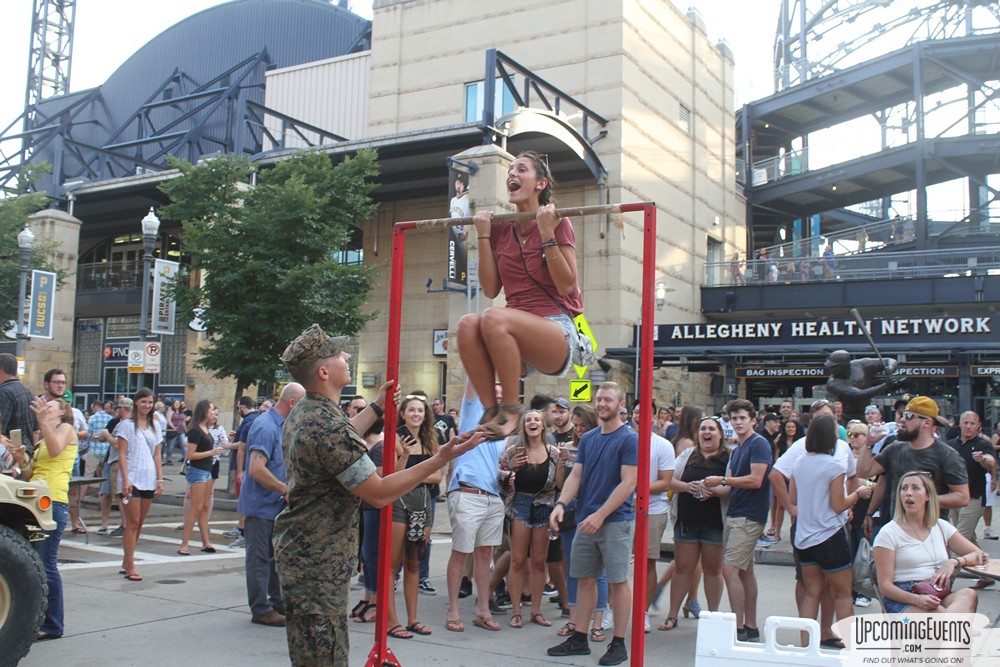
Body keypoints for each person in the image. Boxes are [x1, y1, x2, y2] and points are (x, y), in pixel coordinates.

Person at [272, 323, 482, 666]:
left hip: (306, 552)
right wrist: (440, 458)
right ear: (324, 371)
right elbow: (380, 494)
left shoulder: (308, 411)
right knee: (323, 652)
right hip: (318, 558)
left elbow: (341, 439)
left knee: (313, 646)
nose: (347, 356)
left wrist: (378, 408)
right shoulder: (326, 425)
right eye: (338, 354)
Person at [457, 151, 592, 440]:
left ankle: (511, 409)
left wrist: (547, 234)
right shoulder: (501, 228)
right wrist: (483, 236)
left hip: (556, 330)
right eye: (510, 170)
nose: (512, 175)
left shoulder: (556, 222)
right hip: (515, 334)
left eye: (521, 170)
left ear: (540, 183)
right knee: (468, 323)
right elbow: (491, 289)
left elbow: (567, 285)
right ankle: (492, 411)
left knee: (492, 316)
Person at [548, 382, 637, 666]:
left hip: (615, 521)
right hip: (586, 519)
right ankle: (579, 638)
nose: (602, 404)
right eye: (599, 399)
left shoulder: (629, 439)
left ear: (621, 404)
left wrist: (601, 515)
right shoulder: (589, 438)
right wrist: (561, 504)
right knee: (585, 579)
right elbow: (576, 476)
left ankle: (619, 643)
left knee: (618, 581)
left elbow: (629, 482)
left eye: (608, 400)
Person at [789, 415, 872, 648]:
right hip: (830, 535)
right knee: (843, 594)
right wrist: (858, 494)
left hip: (804, 537)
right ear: (830, 436)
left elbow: (793, 498)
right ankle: (850, 644)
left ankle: (806, 645)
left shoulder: (799, 463)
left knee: (811, 593)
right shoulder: (834, 465)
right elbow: (839, 504)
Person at [703, 399, 773, 643]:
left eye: (742, 417)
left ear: (753, 420)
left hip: (749, 515)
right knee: (744, 571)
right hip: (736, 512)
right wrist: (706, 488)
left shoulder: (758, 444)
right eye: (734, 418)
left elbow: (756, 480)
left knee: (729, 569)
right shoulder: (738, 449)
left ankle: (739, 626)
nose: (738, 422)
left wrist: (721, 481)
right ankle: (749, 625)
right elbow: (729, 488)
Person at [444, 381, 507, 633]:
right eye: (494, 390)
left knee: (485, 555)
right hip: (467, 491)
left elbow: (492, 464)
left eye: (503, 394)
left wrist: (503, 473)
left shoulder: (502, 429)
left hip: (493, 496)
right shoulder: (473, 411)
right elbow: (473, 376)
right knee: (461, 552)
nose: (498, 395)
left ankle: (483, 610)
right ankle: (452, 610)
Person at [240, 384, 305, 627]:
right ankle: (261, 609)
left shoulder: (282, 425)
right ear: (292, 403)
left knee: (276, 558)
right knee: (259, 560)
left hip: (275, 506)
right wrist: (284, 490)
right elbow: (256, 469)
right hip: (261, 506)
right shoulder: (266, 426)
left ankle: (277, 603)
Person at [873, 471, 982, 614]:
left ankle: (954, 631)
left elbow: (979, 555)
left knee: (969, 594)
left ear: (928, 496)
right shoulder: (888, 532)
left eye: (915, 488)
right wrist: (917, 600)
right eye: (904, 488)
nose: (908, 493)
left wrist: (954, 562)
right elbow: (885, 586)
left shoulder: (941, 526)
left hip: (936, 591)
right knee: (947, 622)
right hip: (903, 598)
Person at [662, 416, 729, 631]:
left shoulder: (729, 458)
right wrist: (687, 487)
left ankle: (713, 616)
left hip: (715, 522)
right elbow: (668, 480)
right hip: (687, 520)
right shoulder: (688, 455)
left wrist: (713, 491)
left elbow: (733, 486)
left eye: (711, 429)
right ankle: (672, 615)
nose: (706, 433)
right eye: (702, 429)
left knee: (713, 570)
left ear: (720, 434)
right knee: (683, 568)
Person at [19, 396, 77, 640]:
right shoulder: (44, 437)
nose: (45, 410)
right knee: (35, 562)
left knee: (46, 563)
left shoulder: (66, 429)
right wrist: (21, 456)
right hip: (37, 500)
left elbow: (55, 451)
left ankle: (53, 624)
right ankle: (41, 619)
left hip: (53, 501)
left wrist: (42, 422)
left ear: (61, 413)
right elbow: (30, 472)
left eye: (50, 408)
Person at [555, 403, 610, 643]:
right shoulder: (568, 448)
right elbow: (561, 484)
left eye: (582, 425)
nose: (578, 431)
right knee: (573, 569)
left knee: (599, 572)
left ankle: (597, 623)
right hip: (571, 513)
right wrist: (560, 462)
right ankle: (574, 619)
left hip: (594, 512)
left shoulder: (600, 445)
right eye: (575, 426)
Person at [504, 409, 560, 629]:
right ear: (524, 426)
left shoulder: (554, 453)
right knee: (517, 560)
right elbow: (501, 478)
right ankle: (516, 611)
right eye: (528, 420)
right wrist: (510, 468)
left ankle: (536, 610)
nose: (533, 422)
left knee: (539, 562)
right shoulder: (513, 451)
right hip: (521, 506)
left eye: (537, 419)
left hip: (545, 507)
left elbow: (561, 485)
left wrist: (563, 465)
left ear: (543, 425)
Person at [116, 387, 163, 581]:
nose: (147, 405)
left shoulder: (155, 425)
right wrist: (126, 478)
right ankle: (130, 565)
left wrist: (160, 478)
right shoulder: (127, 425)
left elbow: (157, 454)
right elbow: (122, 453)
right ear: (136, 402)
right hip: (132, 476)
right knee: (132, 522)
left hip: (148, 477)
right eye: (143, 401)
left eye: (150, 402)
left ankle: (127, 559)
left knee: (140, 523)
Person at [178, 400, 224, 556]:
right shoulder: (196, 431)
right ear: (204, 411)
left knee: (204, 507)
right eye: (211, 409)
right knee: (196, 508)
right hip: (198, 470)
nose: (213, 412)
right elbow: (190, 455)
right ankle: (184, 544)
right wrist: (211, 453)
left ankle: (206, 542)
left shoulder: (207, 429)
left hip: (207, 470)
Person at [0, 353, 37, 450]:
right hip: (26, 452)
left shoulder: (4, 392)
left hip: (11, 452)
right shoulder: (28, 393)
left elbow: (1, 429)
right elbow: (36, 431)